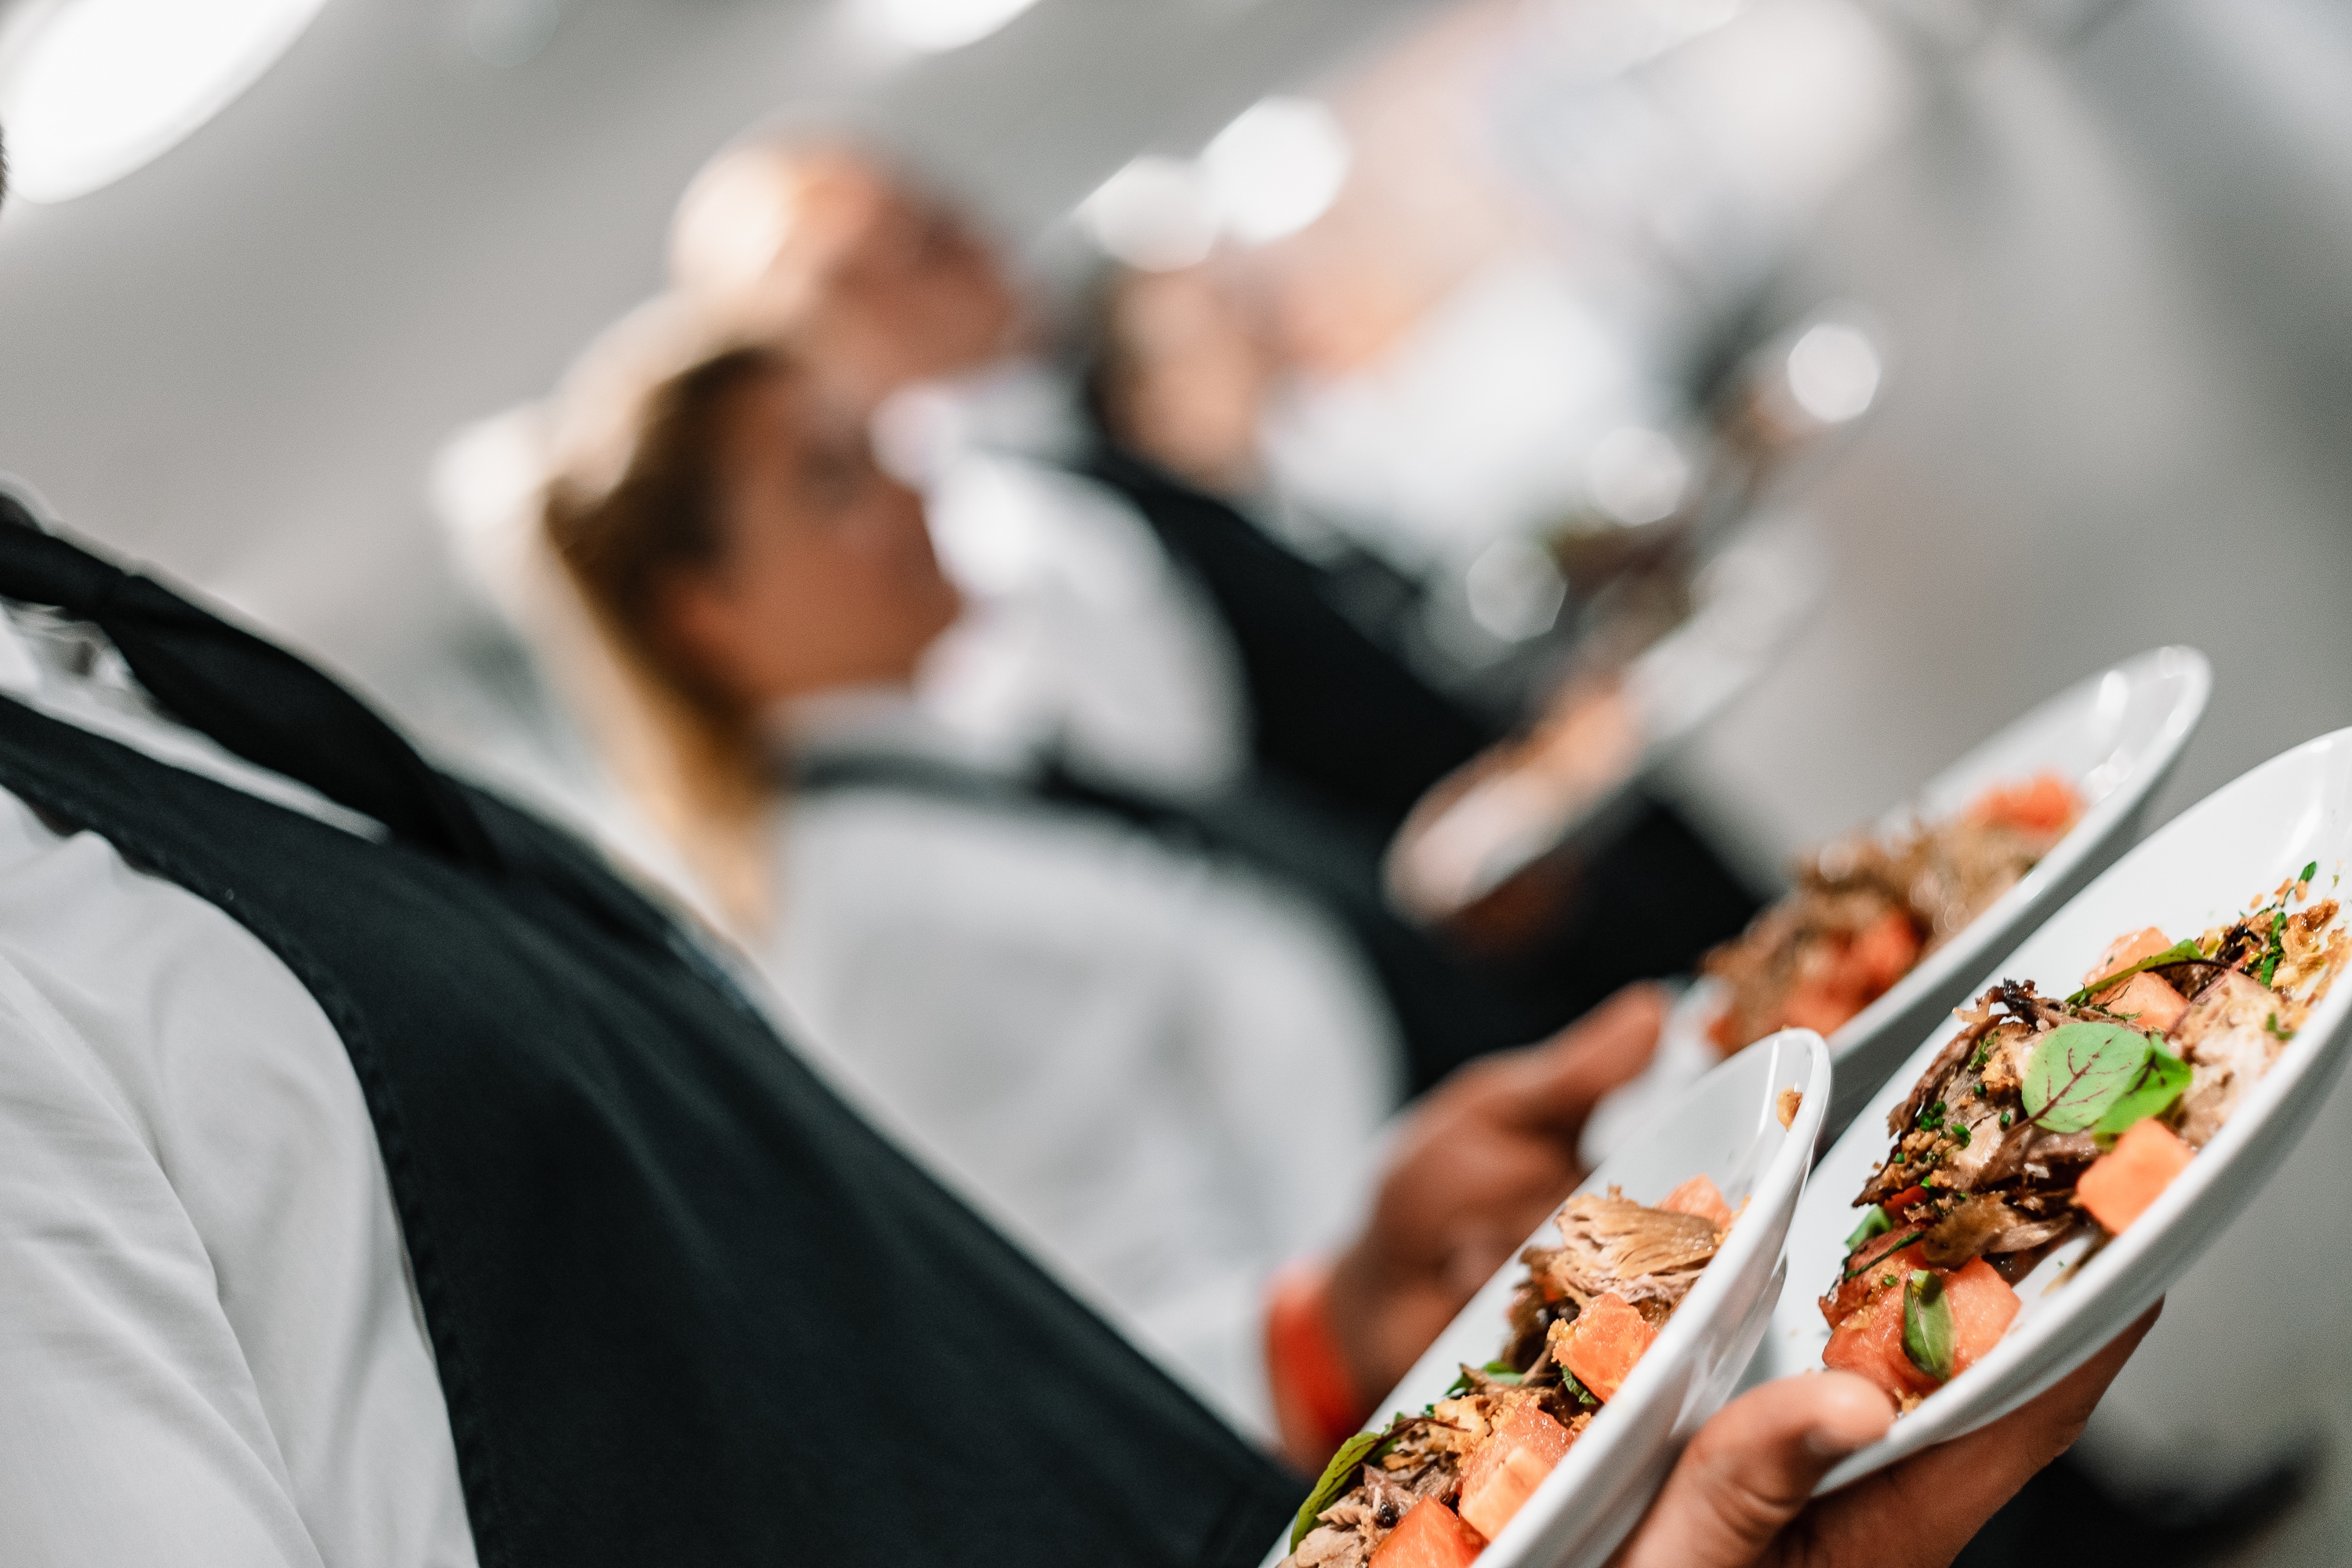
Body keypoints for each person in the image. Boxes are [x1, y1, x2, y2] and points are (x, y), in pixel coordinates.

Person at [0, 129, 2152, 1567]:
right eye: (838, 483)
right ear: (707, 618)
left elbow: (819, 1356)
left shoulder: (114, 692)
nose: (916, 494)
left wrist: (1324, 1333)